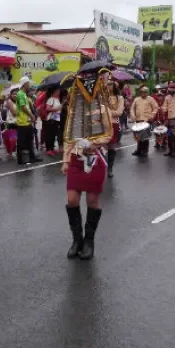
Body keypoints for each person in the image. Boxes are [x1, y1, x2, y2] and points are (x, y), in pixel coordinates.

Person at [61, 65, 114, 260]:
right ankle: (77, 240)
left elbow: (109, 134)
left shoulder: (102, 108)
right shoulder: (74, 109)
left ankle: (89, 242)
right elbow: (67, 137)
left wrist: (93, 143)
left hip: (95, 158)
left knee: (92, 200)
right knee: (72, 199)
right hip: (76, 158)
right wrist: (66, 160)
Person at [15, 77, 41, 165]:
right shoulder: (20, 94)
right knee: (22, 141)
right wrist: (31, 115)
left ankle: (32, 157)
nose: (29, 85)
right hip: (22, 122)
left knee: (30, 140)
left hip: (27, 121)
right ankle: (21, 159)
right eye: (28, 83)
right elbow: (23, 107)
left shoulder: (24, 94)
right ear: (25, 84)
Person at [129, 85, 159, 157]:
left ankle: (145, 151)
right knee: (138, 137)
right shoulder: (136, 99)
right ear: (140, 92)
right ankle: (138, 150)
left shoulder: (150, 99)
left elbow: (156, 107)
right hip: (138, 120)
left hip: (146, 120)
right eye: (142, 92)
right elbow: (132, 108)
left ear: (147, 92)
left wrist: (152, 115)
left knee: (145, 137)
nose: (144, 93)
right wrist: (133, 115)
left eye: (145, 92)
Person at [104, 79, 125, 177]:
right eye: (107, 84)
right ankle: (102, 167)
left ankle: (110, 168)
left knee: (111, 147)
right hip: (103, 125)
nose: (108, 86)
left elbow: (119, 112)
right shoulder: (102, 97)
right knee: (102, 147)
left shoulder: (119, 98)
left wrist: (106, 111)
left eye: (110, 84)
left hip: (114, 124)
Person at [42, 88, 64, 157]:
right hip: (51, 120)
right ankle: (49, 149)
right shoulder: (50, 99)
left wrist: (63, 103)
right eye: (57, 91)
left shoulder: (57, 99)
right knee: (49, 135)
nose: (58, 92)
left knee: (54, 134)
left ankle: (52, 148)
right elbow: (47, 108)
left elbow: (59, 108)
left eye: (59, 91)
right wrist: (56, 109)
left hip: (56, 119)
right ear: (53, 92)